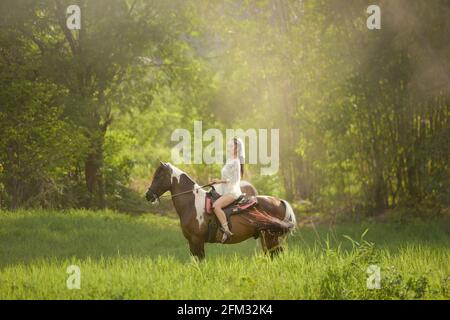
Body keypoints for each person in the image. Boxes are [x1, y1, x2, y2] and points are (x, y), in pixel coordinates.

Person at [209, 137, 243, 243]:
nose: (228, 148)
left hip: (232, 191)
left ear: (237, 148)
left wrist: (219, 181)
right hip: (225, 189)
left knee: (216, 206)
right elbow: (226, 177)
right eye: (228, 146)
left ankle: (227, 231)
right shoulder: (229, 160)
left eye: (231, 146)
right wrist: (216, 181)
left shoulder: (236, 162)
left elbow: (235, 180)